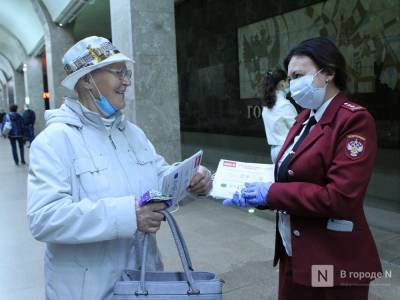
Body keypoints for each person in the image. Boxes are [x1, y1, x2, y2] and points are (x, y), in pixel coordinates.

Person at [26, 36, 213, 299]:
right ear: (87, 79)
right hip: (88, 290)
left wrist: (192, 181)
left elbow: (159, 183)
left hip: (143, 282)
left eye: (127, 73)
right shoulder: (54, 141)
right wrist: (129, 215)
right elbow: (44, 218)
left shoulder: (132, 133)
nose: (126, 81)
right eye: (118, 73)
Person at [224, 37, 381, 299]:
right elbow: (289, 175)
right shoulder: (304, 117)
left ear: (328, 72)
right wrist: (256, 193)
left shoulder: (353, 120)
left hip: (331, 258)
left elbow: (340, 198)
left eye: (299, 75)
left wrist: (271, 193)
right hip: (293, 252)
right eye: (291, 76)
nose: (294, 84)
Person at [261, 69, 297, 163]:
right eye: (287, 80)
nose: (289, 83)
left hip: (274, 150)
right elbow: (297, 131)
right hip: (287, 150)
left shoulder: (266, 106)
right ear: (281, 83)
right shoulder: (285, 105)